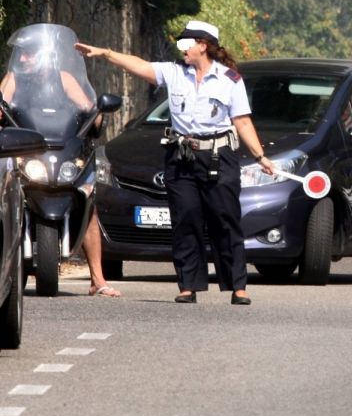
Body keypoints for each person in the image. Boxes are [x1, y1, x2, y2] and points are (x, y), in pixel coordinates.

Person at [75, 20, 274, 304]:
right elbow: (139, 65)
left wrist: (260, 156)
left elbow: (242, 121)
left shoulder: (230, 79)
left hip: (218, 156)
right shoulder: (174, 73)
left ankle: (237, 286)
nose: (182, 49)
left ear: (203, 46)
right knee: (185, 219)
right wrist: (106, 53)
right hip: (182, 156)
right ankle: (188, 285)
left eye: (187, 43)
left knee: (224, 219)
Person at [1, 28, 121, 297]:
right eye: (21, 53)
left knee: (88, 204)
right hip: (28, 152)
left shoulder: (64, 78)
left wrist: (97, 112)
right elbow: (1, 102)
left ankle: (98, 280)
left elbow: (89, 108)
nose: (24, 58)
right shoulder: (13, 79)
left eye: (30, 53)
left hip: (64, 149)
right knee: (5, 197)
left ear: (46, 55)